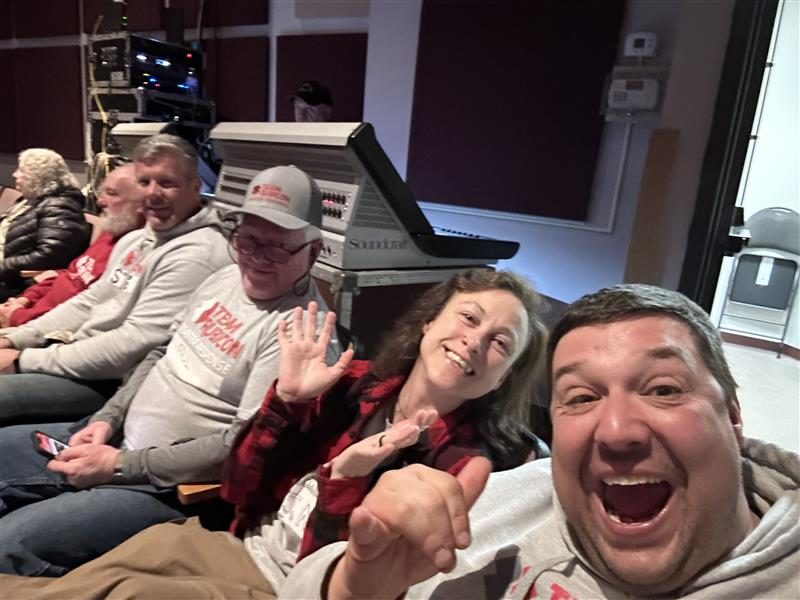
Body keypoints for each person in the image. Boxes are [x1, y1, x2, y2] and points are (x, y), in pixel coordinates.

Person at [0, 268, 550, 597]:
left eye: (501, 343)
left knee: (123, 592)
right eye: (469, 318)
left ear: (505, 375)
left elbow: (357, 581)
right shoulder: (355, 383)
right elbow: (238, 487)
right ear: (430, 321)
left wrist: (343, 479)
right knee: (82, 581)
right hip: (235, 542)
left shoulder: (465, 466)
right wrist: (285, 403)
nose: (476, 341)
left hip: (287, 585)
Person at [280, 284, 799, 600]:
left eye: (663, 389)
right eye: (581, 397)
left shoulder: (473, 458)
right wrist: (352, 588)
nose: (617, 431)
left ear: (733, 416)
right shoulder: (513, 496)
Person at [0, 165, 341, 577]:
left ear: (313, 251)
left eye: (276, 247)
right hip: (110, 441)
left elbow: (238, 446)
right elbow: (161, 351)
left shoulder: (300, 334)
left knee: (9, 545)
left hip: (167, 488)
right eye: (248, 240)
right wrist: (108, 418)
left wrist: (121, 465)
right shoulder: (224, 277)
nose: (255, 258)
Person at [0, 134, 232, 425]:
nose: (153, 193)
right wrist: (15, 337)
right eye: (144, 182)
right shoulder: (137, 238)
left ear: (195, 187)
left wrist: (23, 360)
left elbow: (132, 345)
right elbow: (90, 300)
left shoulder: (198, 255)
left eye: (167, 183)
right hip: (74, 355)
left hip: (113, 384)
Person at [0, 163, 145, 328]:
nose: (99, 201)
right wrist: (25, 299)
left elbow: (88, 310)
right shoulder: (112, 231)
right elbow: (70, 274)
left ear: (142, 203)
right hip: (29, 311)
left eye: (112, 194)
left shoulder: (137, 252)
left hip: (44, 328)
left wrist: (18, 316)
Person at [0, 148, 90, 300]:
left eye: (21, 170)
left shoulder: (61, 208)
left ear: (36, 177)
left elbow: (47, 256)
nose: (15, 174)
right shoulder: (30, 200)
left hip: (14, 282)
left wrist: (4, 266)